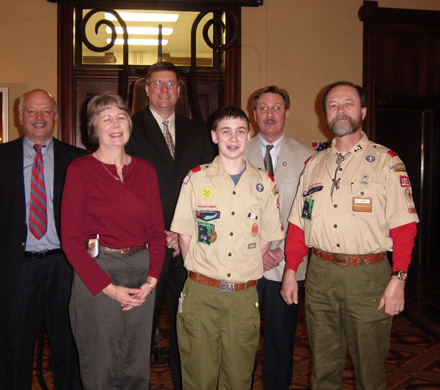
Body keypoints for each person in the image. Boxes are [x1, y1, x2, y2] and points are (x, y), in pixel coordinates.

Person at [281, 81, 419, 389]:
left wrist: (399, 278)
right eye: (333, 105)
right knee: (323, 369)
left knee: (370, 371)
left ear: (363, 112)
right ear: (325, 116)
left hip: (368, 277)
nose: (340, 110)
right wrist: (291, 270)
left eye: (348, 103)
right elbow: (298, 225)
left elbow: (404, 227)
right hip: (321, 276)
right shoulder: (313, 165)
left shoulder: (387, 162)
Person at [0, 89, 86, 389]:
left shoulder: (76, 159)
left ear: (56, 118)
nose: (39, 118)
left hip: (64, 266)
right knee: (15, 349)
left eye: (46, 112)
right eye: (32, 112)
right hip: (16, 267)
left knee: (67, 347)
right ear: (20, 117)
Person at [171, 106, 285, 390]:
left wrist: (239, 269)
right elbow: (185, 236)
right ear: (214, 136)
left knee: (238, 378)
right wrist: (206, 270)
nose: (233, 138)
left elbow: (266, 238)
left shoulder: (264, 183)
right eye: (225, 131)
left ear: (249, 137)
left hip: (242, 298)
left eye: (240, 131)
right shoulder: (196, 179)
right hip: (201, 294)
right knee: (199, 378)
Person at [61, 92, 166, 390]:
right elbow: (70, 240)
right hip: (98, 272)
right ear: (94, 128)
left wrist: (151, 282)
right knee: (100, 367)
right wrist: (109, 289)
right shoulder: (80, 170)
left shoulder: (145, 171)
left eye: (121, 117)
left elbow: (156, 233)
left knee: (135, 367)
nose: (115, 123)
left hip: (141, 273)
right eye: (106, 118)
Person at [126, 61, 215, 389]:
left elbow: (209, 186)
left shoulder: (197, 131)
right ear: (147, 89)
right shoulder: (130, 129)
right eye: (157, 84)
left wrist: (183, 232)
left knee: (186, 326)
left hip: (189, 248)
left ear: (179, 91)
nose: (164, 90)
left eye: (171, 84)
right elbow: (127, 189)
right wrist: (159, 232)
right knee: (139, 329)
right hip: (146, 247)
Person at [244, 85, 314, 389]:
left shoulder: (309, 157)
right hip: (245, 260)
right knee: (241, 337)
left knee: (281, 339)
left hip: (288, 264)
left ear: (286, 112)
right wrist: (258, 250)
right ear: (254, 113)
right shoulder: (234, 151)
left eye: (276, 108)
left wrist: (284, 251)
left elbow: (308, 213)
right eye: (263, 108)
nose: (269, 114)